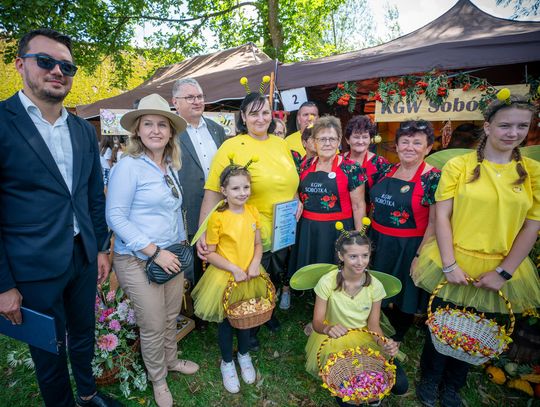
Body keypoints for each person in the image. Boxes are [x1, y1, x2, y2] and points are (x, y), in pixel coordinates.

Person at [0, 29, 120, 407]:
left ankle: (87, 394)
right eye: (46, 61)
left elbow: (91, 198)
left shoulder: (83, 129)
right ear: (20, 64)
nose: (57, 70)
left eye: (66, 65)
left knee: (83, 333)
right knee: (48, 349)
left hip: (82, 258)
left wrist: (101, 248)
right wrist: (3, 284)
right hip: (31, 266)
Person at [412, 95, 540, 407]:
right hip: (454, 256)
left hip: (499, 266)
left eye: (522, 126)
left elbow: (532, 226)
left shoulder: (533, 172)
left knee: (480, 330)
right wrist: (449, 264)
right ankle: (429, 380)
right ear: (488, 126)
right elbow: (442, 215)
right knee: (442, 325)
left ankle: (454, 386)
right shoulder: (459, 165)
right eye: (505, 125)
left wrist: (503, 272)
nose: (513, 132)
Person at [106, 93, 199, 407]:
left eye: (162, 124)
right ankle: (158, 378)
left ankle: (171, 361)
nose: (156, 130)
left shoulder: (169, 166)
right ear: (138, 130)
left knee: (171, 314)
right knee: (153, 322)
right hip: (137, 259)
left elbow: (170, 212)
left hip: (171, 255)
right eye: (149, 124)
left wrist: (176, 246)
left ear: (171, 131)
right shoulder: (128, 166)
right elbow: (115, 216)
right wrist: (154, 251)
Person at [197, 92, 300, 350]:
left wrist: (297, 200)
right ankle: (248, 326)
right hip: (249, 231)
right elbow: (212, 191)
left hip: (283, 227)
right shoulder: (231, 147)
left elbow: (291, 180)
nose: (260, 118)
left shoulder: (280, 144)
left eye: (265, 112)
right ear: (243, 117)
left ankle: (266, 312)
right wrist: (202, 232)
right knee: (251, 278)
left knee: (274, 274)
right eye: (253, 113)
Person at [305, 229, 408, 406]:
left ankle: (373, 396)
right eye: (353, 256)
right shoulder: (327, 281)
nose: (360, 262)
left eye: (365, 255)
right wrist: (328, 328)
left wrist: (385, 343)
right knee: (348, 397)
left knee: (400, 385)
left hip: (364, 334)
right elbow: (317, 322)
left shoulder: (375, 285)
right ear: (341, 255)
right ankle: (362, 394)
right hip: (335, 337)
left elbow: (374, 325)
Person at [192, 164, 269, 393]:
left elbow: (257, 244)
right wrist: (233, 268)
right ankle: (227, 362)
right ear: (224, 191)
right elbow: (210, 253)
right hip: (225, 276)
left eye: (246, 187)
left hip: (250, 274)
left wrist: (255, 262)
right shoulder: (218, 217)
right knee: (227, 321)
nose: (242, 192)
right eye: (235, 188)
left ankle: (244, 355)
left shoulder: (252, 212)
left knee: (246, 317)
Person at [369, 120, 441, 344]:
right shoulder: (386, 170)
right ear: (397, 146)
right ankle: (375, 324)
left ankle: (397, 335)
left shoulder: (433, 178)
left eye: (417, 143)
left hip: (410, 244)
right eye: (405, 142)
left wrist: (420, 256)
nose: (410, 147)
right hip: (379, 240)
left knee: (406, 291)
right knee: (377, 284)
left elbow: (435, 221)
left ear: (428, 148)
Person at [289, 116, 366, 275]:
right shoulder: (305, 165)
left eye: (332, 139)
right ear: (314, 142)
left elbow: (358, 206)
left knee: (335, 276)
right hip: (308, 229)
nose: (327, 143)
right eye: (322, 139)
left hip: (337, 230)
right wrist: (296, 197)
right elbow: (293, 187)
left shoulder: (351, 169)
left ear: (339, 142)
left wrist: (359, 239)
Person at [172, 77, 226, 285]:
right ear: (175, 102)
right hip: (188, 210)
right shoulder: (170, 132)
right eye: (190, 97)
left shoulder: (217, 130)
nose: (196, 101)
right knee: (192, 266)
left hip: (218, 208)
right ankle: (196, 313)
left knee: (218, 256)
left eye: (200, 96)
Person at [343, 115, 389, 202]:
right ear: (347, 140)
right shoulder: (339, 160)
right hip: (342, 213)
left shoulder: (380, 163)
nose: (361, 141)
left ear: (370, 139)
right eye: (356, 137)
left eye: (365, 137)